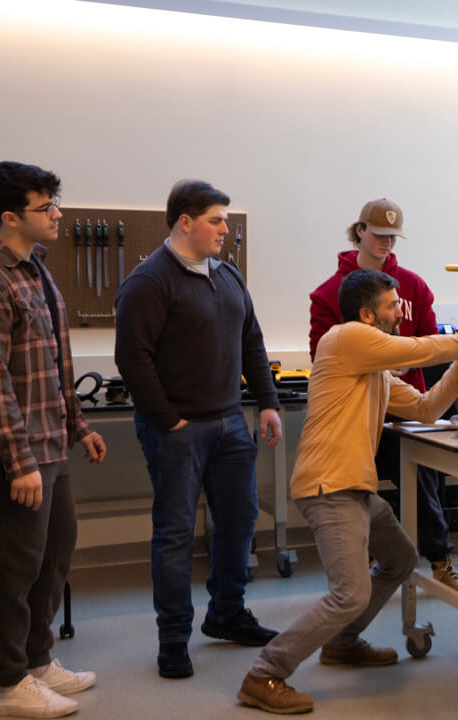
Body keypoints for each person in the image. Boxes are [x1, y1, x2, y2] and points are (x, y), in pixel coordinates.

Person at [237, 269, 458, 714]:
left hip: (355, 488)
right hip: (330, 485)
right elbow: (419, 348)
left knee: (401, 558)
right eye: (392, 308)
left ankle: (343, 643)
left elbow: (427, 408)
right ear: (367, 315)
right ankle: (263, 674)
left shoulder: (374, 370)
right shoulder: (344, 338)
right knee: (349, 592)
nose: (399, 316)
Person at [0, 161, 107, 718]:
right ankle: (10, 685)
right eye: (46, 207)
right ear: (11, 217)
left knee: (55, 550)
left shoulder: (35, 270)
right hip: (5, 445)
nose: (58, 214)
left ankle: (39, 661)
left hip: (47, 437)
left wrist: (78, 425)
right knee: (16, 563)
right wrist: (18, 464)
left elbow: (52, 362)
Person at [114, 180, 284, 679]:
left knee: (240, 520)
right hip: (177, 430)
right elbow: (133, 358)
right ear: (184, 222)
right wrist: (167, 418)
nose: (225, 230)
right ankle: (173, 638)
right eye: (216, 220)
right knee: (174, 533)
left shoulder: (227, 275)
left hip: (231, 421)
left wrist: (268, 402)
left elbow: (250, 339)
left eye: (226, 221)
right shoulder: (149, 281)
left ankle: (227, 613)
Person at [308, 198, 458, 592]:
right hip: (356, 417)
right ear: (359, 231)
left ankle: (439, 560)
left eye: (393, 238)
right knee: (357, 499)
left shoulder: (413, 286)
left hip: (400, 403)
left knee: (425, 490)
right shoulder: (329, 294)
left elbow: (428, 346)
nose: (387, 244)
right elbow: (325, 352)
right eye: (379, 236)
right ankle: (360, 574)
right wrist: (379, 359)